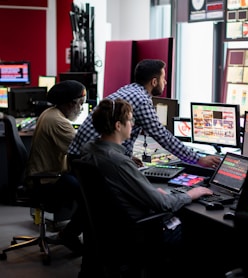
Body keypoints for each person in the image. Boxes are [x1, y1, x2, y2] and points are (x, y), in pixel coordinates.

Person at [79, 98, 214, 277]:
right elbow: (163, 204)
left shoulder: (89, 149)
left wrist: (147, 194)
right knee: (204, 232)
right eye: (130, 120)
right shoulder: (118, 162)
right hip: (137, 232)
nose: (133, 124)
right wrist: (192, 194)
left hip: (111, 231)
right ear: (119, 126)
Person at [68, 59, 221, 169]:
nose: (165, 82)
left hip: (81, 158)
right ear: (154, 82)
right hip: (96, 162)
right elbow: (163, 136)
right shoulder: (141, 100)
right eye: (163, 78)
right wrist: (199, 159)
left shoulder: (128, 89)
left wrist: (126, 158)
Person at [26, 80, 87, 255]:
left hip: (44, 176)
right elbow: (85, 148)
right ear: (70, 104)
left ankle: (69, 232)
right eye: (80, 104)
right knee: (92, 195)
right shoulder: (59, 122)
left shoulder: (50, 113)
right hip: (47, 181)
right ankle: (69, 234)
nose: (81, 109)